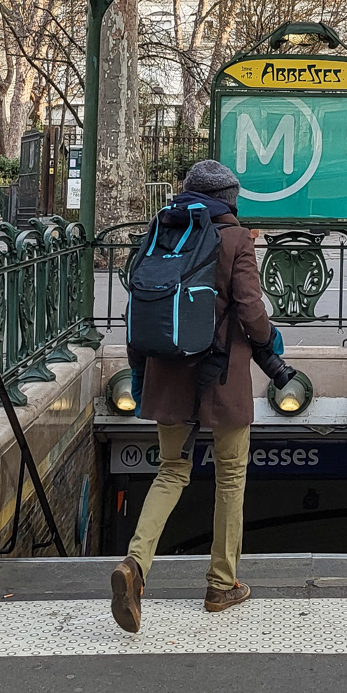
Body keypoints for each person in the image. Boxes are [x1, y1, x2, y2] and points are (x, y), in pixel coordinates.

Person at [111, 159, 274, 632]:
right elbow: (250, 309)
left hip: (168, 370)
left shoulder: (162, 230)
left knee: (171, 471)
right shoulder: (236, 239)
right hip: (222, 376)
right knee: (230, 478)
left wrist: (141, 369)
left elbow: (137, 302)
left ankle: (135, 566)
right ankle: (222, 584)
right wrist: (266, 345)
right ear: (229, 200)